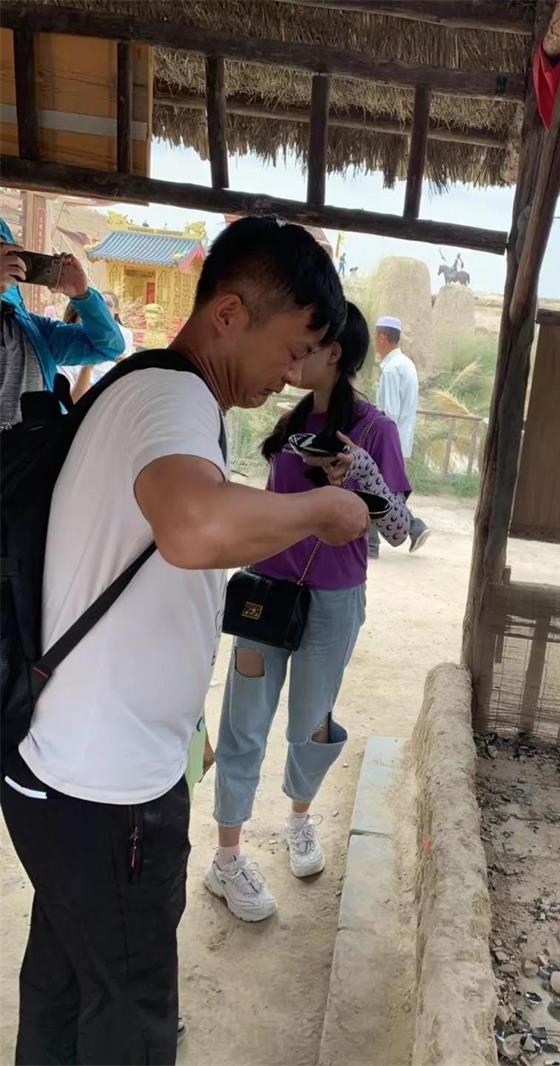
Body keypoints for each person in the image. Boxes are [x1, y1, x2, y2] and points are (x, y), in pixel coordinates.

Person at [0, 217, 369, 1066]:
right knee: (130, 1011)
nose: (294, 373)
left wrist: (185, 723)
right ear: (230, 315)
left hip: (67, 769)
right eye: (293, 347)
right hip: (109, 789)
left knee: (67, 982)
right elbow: (194, 527)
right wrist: (324, 508)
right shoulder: (173, 399)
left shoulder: (149, 394)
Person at [207, 301, 411, 921]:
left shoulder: (374, 430)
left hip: (334, 601)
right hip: (265, 594)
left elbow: (399, 528)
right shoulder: (288, 421)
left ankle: (299, 818)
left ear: (336, 353)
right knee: (243, 723)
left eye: (308, 343)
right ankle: (226, 858)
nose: (294, 354)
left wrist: (361, 477)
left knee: (311, 723)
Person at [0, 217, 125, 425]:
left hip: (34, 444)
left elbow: (108, 347)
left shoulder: (34, 331)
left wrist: (83, 296)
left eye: (7, 253)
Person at [371, 314, 430, 557]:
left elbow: (389, 414)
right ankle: (413, 528)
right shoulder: (405, 364)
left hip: (390, 441)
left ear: (382, 338)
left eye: (376, 336)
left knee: (374, 487)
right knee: (385, 489)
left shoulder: (391, 370)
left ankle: (375, 543)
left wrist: (380, 444)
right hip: (400, 440)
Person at [68, 292, 136, 400]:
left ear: (116, 310)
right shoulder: (68, 357)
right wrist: (88, 366)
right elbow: (74, 400)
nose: (103, 309)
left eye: (108, 305)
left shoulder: (124, 337)